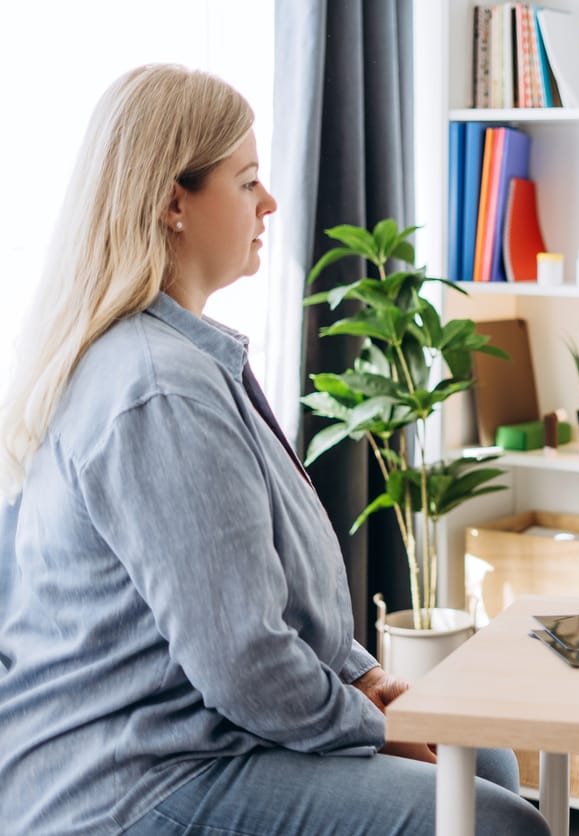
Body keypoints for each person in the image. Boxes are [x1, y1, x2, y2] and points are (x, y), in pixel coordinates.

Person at [0, 64, 548, 836]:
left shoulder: (181, 359)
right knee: (496, 822)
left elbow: (263, 587)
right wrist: (374, 726)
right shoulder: (159, 390)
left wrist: (362, 674)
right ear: (171, 202)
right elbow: (244, 662)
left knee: (485, 763)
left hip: (197, 737)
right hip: (135, 779)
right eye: (247, 180)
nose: (271, 202)